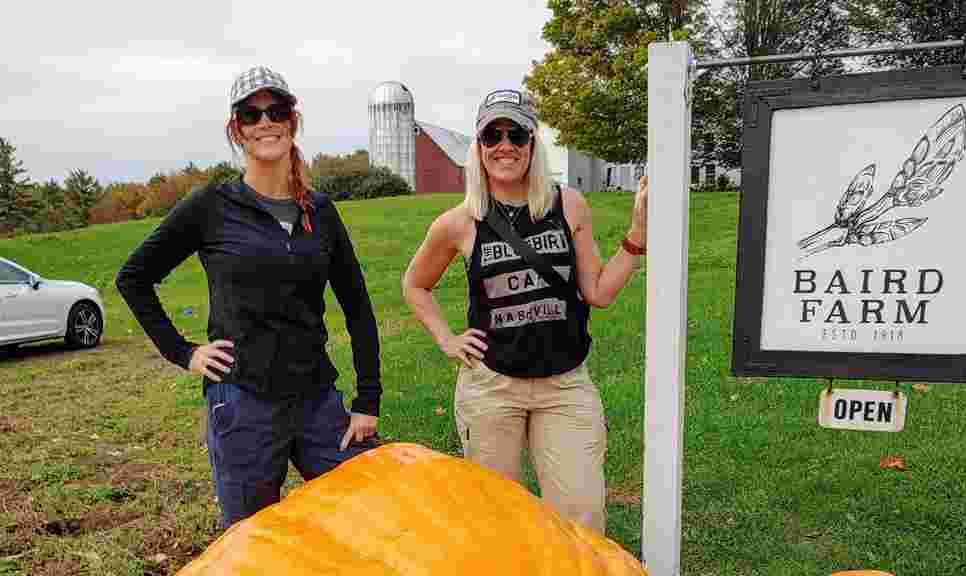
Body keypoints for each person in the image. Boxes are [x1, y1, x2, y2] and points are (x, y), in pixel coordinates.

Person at [117, 66, 383, 530]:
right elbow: (134, 277)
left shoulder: (319, 212)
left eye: (276, 110)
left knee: (364, 519)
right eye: (250, 114)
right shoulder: (211, 207)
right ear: (235, 129)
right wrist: (183, 352)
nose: (265, 122)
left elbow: (357, 307)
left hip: (317, 398)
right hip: (243, 404)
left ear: (292, 121)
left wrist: (367, 401)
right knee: (251, 541)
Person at [402, 88, 648, 535]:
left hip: (564, 386)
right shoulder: (460, 221)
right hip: (491, 388)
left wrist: (636, 237)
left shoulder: (567, 204)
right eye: (491, 135)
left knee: (583, 517)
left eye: (516, 134)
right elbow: (415, 284)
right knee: (497, 521)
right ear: (478, 148)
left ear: (533, 144)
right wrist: (446, 338)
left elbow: (598, 292)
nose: (504, 145)